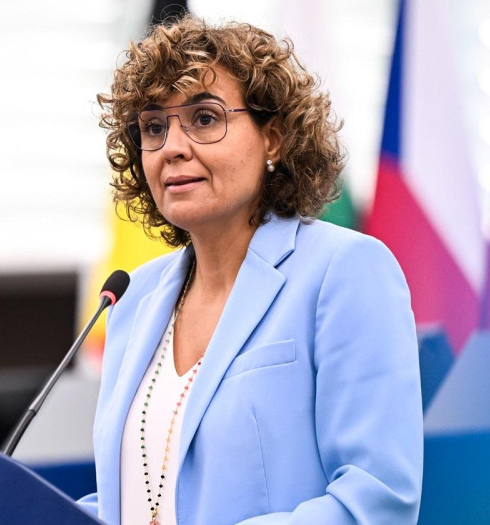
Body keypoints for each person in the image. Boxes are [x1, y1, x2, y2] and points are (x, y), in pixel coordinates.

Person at [78, 16, 423, 524]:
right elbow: (129, 500)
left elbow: (377, 500)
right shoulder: (132, 297)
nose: (172, 146)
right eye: (154, 126)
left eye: (204, 118)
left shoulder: (345, 271)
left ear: (274, 139)